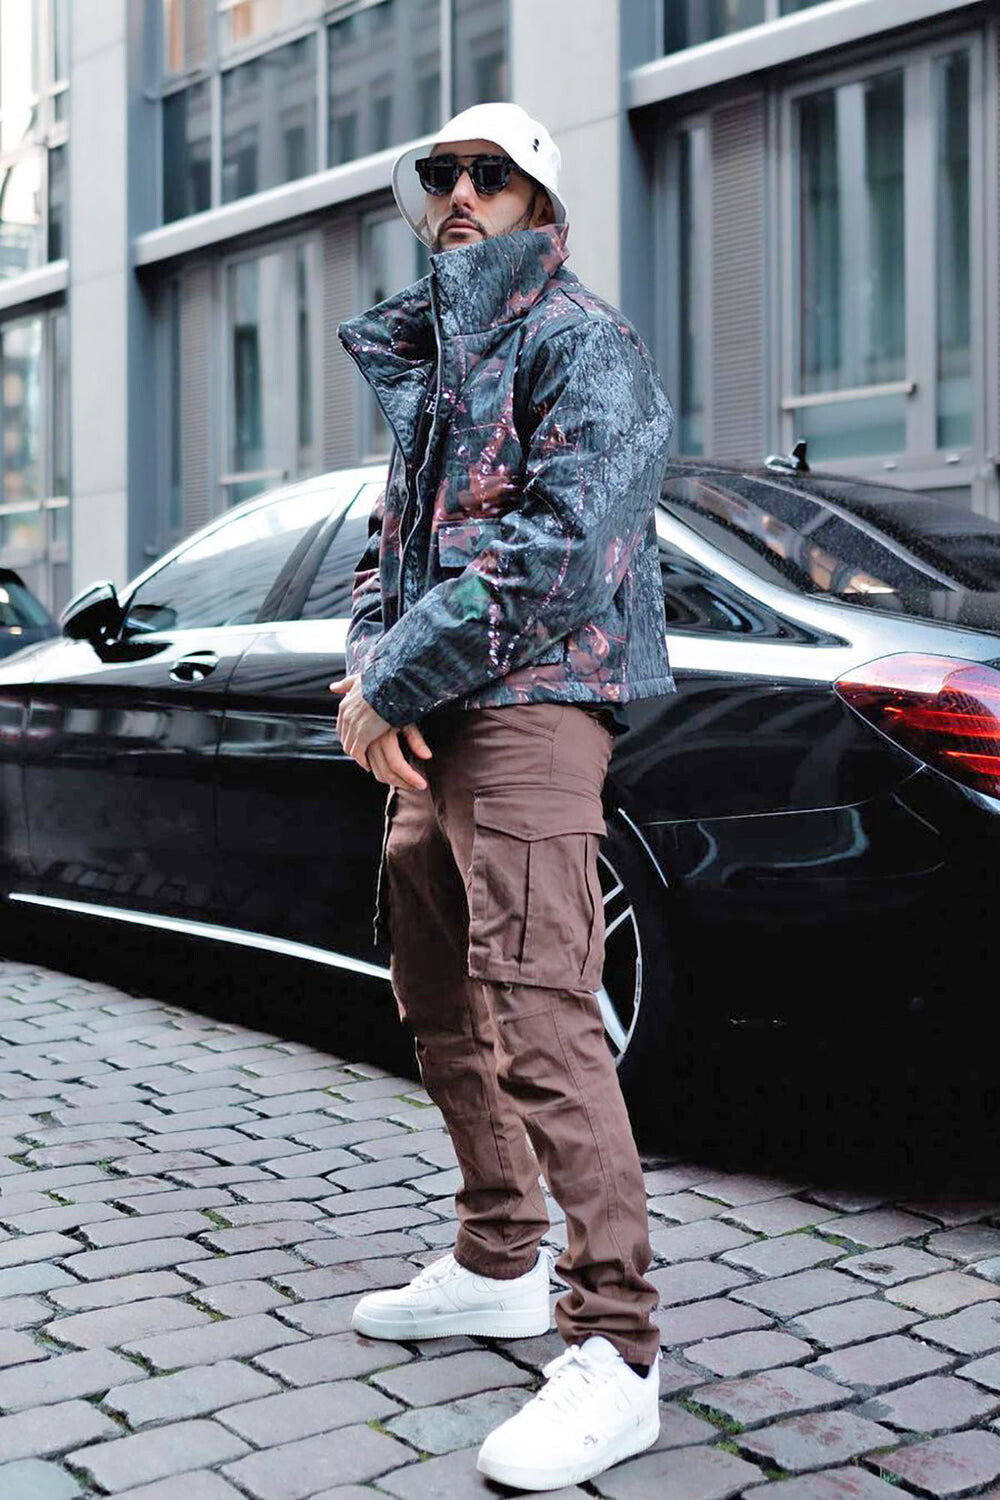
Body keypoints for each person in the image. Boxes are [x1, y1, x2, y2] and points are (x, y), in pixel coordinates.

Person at [331, 101, 675, 1492]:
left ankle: (619, 1349)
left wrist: (393, 682)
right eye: (441, 173)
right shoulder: (440, 362)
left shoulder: (580, 339)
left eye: (492, 174)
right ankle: (497, 1260)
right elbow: (387, 553)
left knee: (541, 1007)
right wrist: (375, 679)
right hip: (439, 716)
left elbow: (563, 545)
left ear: (540, 201)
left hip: (536, 705)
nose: (460, 193)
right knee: (433, 983)